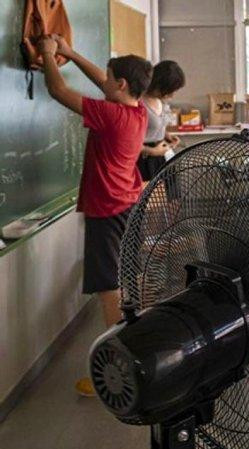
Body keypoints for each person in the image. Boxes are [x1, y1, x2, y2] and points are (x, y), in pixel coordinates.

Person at [37, 34, 152, 396]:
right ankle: (135, 354)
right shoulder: (136, 111)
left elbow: (58, 90)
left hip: (109, 209)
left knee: (108, 289)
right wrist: (70, 52)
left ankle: (120, 372)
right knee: (121, 283)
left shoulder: (110, 115)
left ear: (120, 84)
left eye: (108, 76)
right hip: (127, 205)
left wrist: (47, 55)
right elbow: (106, 83)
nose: (102, 80)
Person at [138, 60, 185, 181]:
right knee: (149, 198)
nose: (172, 95)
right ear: (160, 85)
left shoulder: (161, 101)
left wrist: (167, 136)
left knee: (172, 197)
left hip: (163, 156)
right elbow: (128, 140)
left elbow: (154, 127)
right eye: (171, 90)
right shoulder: (138, 102)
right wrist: (152, 151)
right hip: (144, 159)